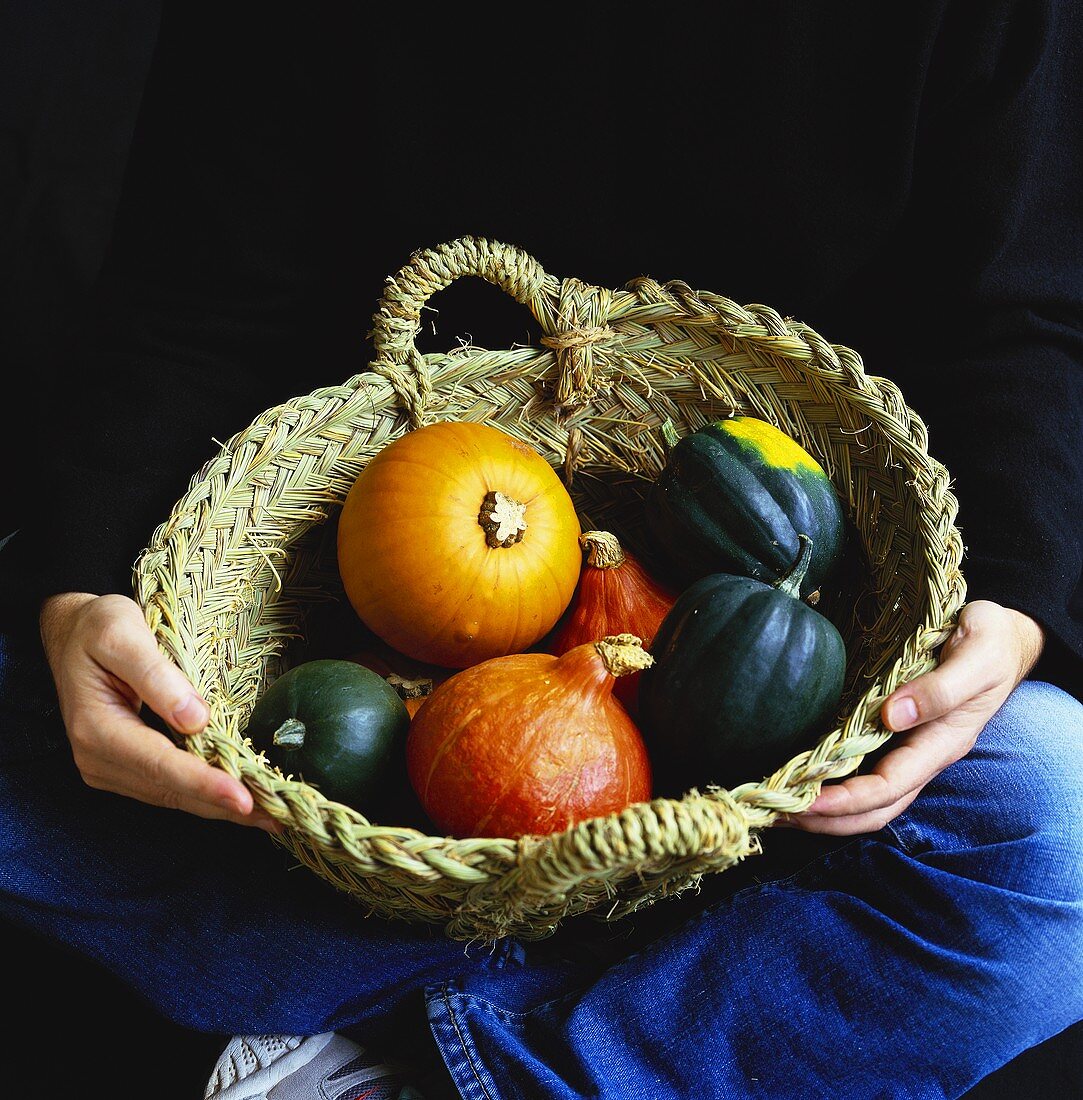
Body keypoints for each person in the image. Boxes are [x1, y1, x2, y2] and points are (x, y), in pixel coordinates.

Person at [2, 3, 1081, 1097]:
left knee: (1057, 822)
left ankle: (466, 1060)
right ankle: (653, 978)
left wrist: (1018, 602)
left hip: (817, 687)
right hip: (342, 611)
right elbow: (193, 301)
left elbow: (1019, 317)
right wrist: (72, 589)